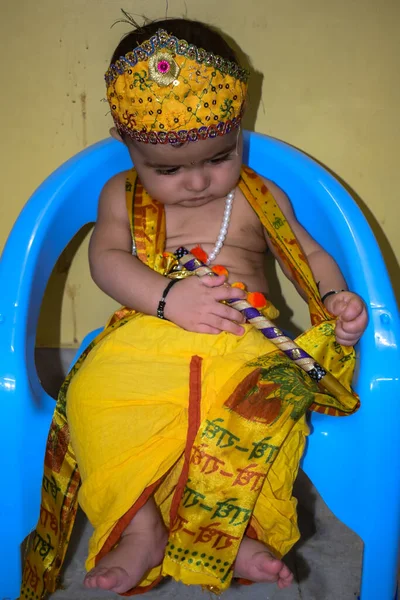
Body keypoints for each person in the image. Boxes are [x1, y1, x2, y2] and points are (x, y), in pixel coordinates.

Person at [20, 16, 368, 599]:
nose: (198, 181)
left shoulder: (260, 195)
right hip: (147, 333)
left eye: (219, 157)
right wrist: (166, 296)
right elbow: (106, 261)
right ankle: (142, 528)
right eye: (169, 169)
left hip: (243, 337)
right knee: (93, 397)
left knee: (254, 411)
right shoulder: (120, 195)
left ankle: (234, 536)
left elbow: (308, 253)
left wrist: (334, 298)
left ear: (236, 133)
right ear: (125, 144)